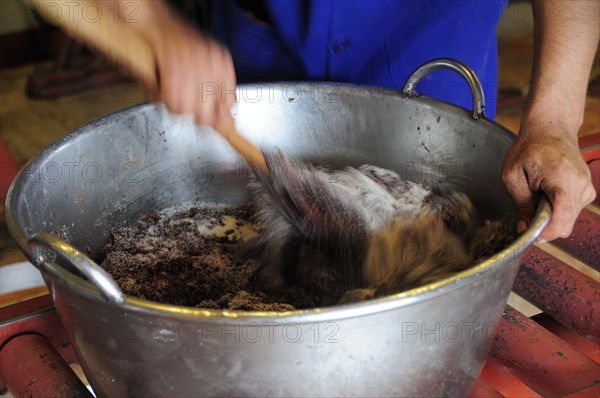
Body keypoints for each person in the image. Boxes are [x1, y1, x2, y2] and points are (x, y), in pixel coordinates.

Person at [107, 0, 597, 242]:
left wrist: (554, 119)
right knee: (240, 205)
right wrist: (145, 16)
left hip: (430, 50)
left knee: (439, 226)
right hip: (255, 51)